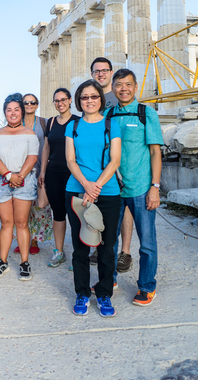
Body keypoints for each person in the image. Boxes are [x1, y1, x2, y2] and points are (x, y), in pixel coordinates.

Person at [65, 80, 121, 318]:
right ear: (79, 101)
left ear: (101, 99)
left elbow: (115, 160)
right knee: (80, 247)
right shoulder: (73, 125)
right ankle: (82, 293)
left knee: (107, 248)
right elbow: (70, 160)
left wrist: (95, 187)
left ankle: (105, 293)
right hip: (77, 191)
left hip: (107, 192)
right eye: (84, 97)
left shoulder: (112, 124)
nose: (89, 101)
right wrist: (86, 185)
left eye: (94, 97)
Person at [110, 68, 164, 307]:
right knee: (108, 239)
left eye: (128, 84)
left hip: (141, 187)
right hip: (113, 187)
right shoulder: (108, 114)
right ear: (113, 88)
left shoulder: (146, 113)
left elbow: (155, 152)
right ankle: (108, 280)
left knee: (147, 242)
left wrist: (155, 186)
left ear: (135, 87)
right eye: (119, 85)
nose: (124, 89)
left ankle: (146, 287)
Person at [0, 94, 40, 281]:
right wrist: (9, 176)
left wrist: (19, 177)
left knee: (22, 223)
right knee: (6, 223)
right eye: (9, 110)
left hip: (24, 181)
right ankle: (3, 261)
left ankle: (24, 263)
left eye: (16, 109)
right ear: (4, 113)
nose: (12, 113)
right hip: (2, 181)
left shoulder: (30, 134)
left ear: (22, 111)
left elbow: (32, 157)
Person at [89, 56, 119, 267]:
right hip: (96, 164)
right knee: (96, 208)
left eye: (105, 70)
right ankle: (97, 248)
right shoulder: (90, 98)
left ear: (111, 72)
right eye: (97, 71)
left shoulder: (118, 97)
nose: (101, 74)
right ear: (92, 74)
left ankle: (124, 251)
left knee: (121, 210)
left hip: (118, 162)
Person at [38, 88, 74, 268]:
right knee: (58, 214)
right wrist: (43, 171)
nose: (60, 103)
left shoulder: (78, 121)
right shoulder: (51, 122)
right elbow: (46, 149)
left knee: (77, 215)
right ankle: (59, 252)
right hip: (53, 173)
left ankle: (79, 255)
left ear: (70, 101)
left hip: (73, 174)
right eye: (56, 100)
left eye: (63, 100)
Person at [14, 93, 51, 256]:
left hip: (38, 170)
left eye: (33, 102)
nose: (29, 104)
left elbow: (48, 147)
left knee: (38, 207)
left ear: (37, 105)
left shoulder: (43, 123)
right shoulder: (16, 122)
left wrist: (45, 170)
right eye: (26, 102)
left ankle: (35, 239)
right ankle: (22, 240)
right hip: (19, 172)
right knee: (20, 208)